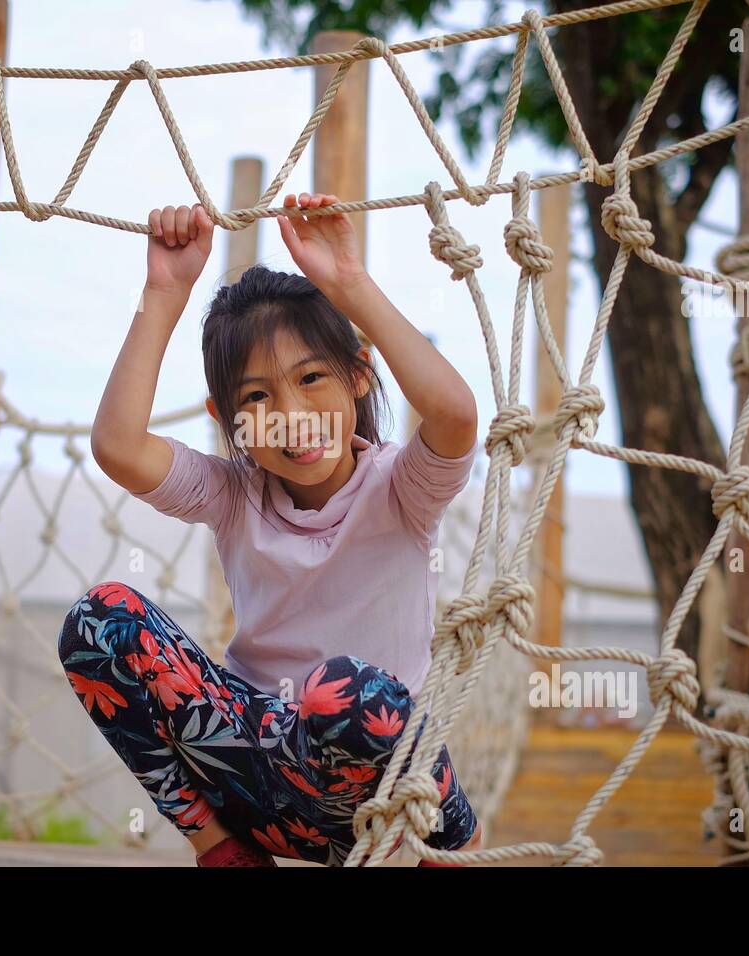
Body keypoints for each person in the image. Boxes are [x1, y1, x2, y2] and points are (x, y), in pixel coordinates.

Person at [59, 193, 483, 866]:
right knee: (100, 620)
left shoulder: (402, 489)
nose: (289, 413)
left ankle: (440, 844)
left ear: (358, 376)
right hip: (259, 788)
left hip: (385, 793)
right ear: (228, 422)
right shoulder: (233, 495)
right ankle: (221, 850)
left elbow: (456, 414)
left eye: (311, 378)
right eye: (256, 397)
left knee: (344, 690)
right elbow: (118, 446)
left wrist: (349, 283)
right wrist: (164, 290)